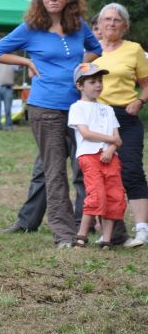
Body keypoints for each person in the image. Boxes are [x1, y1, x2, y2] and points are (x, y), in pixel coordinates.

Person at [0, 0, 101, 248]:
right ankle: (64, 235)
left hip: (78, 108)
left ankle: (85, 224)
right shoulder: (30, 28)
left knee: (84, 166)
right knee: (54, 171)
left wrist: (79, 70)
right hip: (45, 108)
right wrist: (26, 63)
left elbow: (95, 50)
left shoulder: (79, 26)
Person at [92, 2, 148, 247]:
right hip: (99, 118)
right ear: (99, 25)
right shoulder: (91, 50)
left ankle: (142, 230)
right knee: (101, 175)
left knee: (132, 170)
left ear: (125, 26)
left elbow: (147, 84)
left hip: (126, 116)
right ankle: (107, 233)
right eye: (107, 19)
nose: (111, 23)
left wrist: (139, 101)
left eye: (117, 20)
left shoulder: (134, 49)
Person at [68, 63, 124, 249]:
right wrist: (111, 141)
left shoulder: (107, 109)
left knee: (114, 196)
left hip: (111, 158)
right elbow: (86, 133)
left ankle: (106, 239)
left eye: (100, 81)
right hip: (90, 157)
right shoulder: (77, 108)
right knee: (96, 195)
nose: (98, 85)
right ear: (80, 86)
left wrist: (109, 149)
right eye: (92, 82)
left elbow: (119, 139)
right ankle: (81, 237)